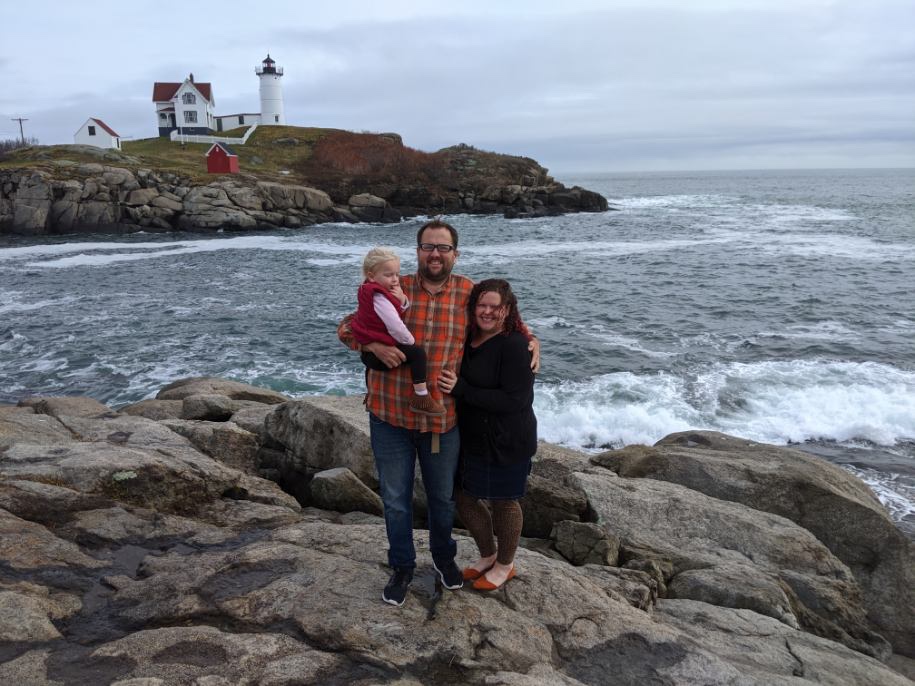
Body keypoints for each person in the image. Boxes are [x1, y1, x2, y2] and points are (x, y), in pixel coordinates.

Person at [337, 219, 539, 606]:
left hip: (440, 421)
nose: (435, 254)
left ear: (455, 254)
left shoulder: (468, 292)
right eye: (428, 246)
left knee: (443, 500)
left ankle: (444, 560)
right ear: (418, 251)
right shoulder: (391, 286)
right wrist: (372, 347)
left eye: (443, 248)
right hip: (389, 416)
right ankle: (402, 566)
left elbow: (507, 321)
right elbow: (347, 326)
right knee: (395, 500)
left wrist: (533, 341)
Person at [438, 279, 537, 591]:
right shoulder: (467, 336)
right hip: (471, 436)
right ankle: (488, 554)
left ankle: (505, 564)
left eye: (496, 306)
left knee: (504, 502)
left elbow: (515, 400)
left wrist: (462, 389)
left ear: (508, 309)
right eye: (482, 305)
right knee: (463, 498)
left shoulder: (515, 346)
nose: (488, 311)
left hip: (507, 438)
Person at [351, 247, 445, 416]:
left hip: (370, 358)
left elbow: (390, 312)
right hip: (377, 367)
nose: (395, 279)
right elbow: (394, 325)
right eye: (389, 275)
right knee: (417, 354)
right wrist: (410, 341)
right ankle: (422, 397)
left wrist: (401, 299)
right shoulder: (379, 296)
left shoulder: (373, 291)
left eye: (397, 274)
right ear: (371, 276)